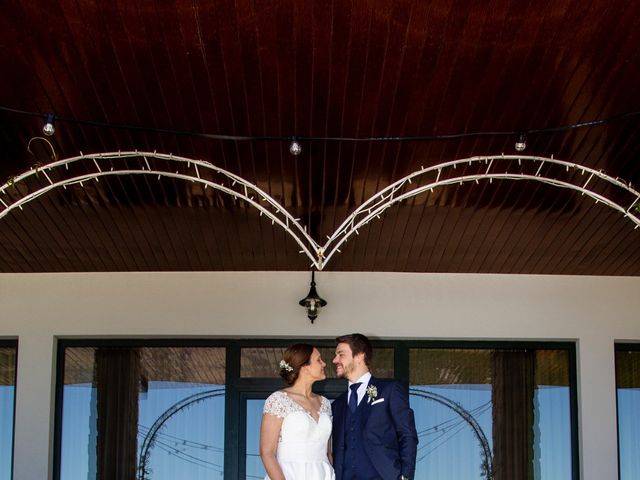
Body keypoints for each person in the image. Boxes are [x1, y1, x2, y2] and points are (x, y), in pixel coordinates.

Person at [331, 333, 418, 480]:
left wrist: (405, 476)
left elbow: (407, 434)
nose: (335, 360)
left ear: (359, 356)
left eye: (341, 355)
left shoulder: (389, 390)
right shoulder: (337, 404)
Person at [260, 343, 335, 480]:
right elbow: (267, 453)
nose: (324, 364)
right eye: (318, 360)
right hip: (289, 475)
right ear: (304, 367)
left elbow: (328, 453)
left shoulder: (325, 403)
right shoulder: (278, 400)